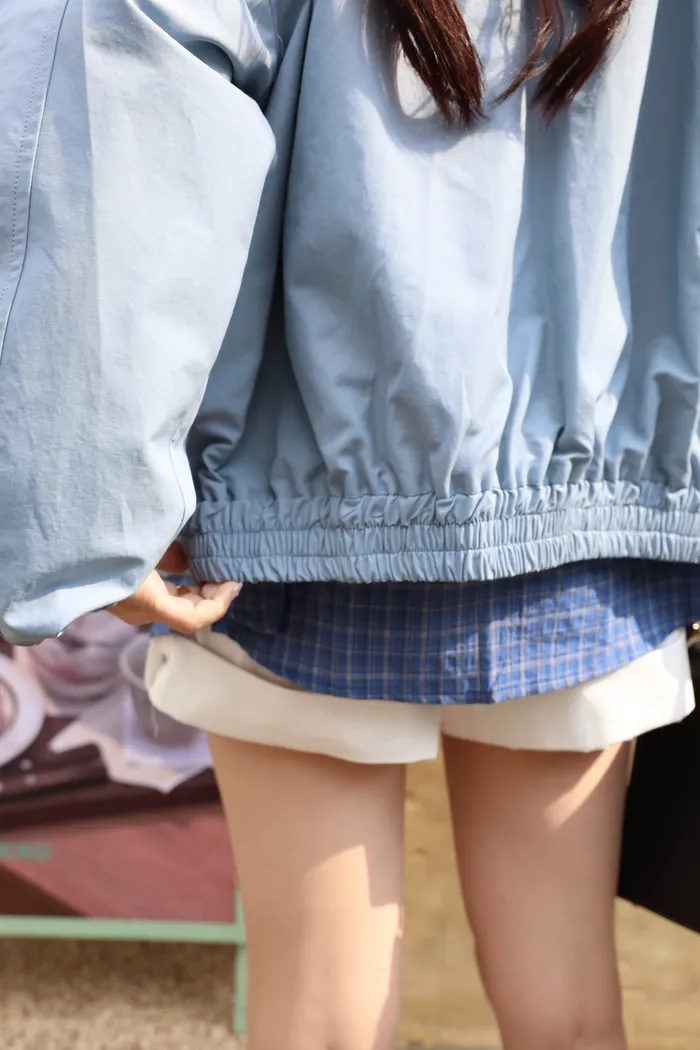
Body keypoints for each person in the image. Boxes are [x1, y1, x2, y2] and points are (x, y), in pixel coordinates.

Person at [1, 1, 699, 1047]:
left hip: (294, 500)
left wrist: (91, 501)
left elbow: (126, 79)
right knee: (565, 1014)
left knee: (320, 1018)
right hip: (587, 499)